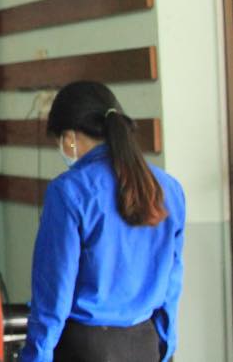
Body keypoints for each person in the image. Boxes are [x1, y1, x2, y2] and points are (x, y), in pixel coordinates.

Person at [20, 81, 185, 362]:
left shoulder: (69, 191)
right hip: (145, 343)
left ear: (69, 138)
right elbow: (172, 280)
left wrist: (37, 355)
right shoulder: (168, 189)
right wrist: (166, 344)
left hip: (85, 348)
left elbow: (54, 292)